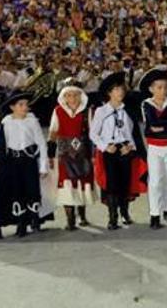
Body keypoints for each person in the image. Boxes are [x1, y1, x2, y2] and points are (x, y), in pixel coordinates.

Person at [90, 72, 145, 230]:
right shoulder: (101, 111)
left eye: (121, 88)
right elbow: (93, 133)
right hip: (110, 151)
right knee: (112, 184)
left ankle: (125, 213)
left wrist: (131, 146)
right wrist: (105, 146)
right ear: (109, 93)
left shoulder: (127, 110)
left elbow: (132, 132)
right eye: (116, 89)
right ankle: (112, 217)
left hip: (125, 150)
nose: (120, 92)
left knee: (125, 183)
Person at [0, 92, 49, 238]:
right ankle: (4, 224)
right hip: (11, 162)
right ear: (12, 107)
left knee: (28, 191)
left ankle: (24, 223)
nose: (25, 107)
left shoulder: (32, 121)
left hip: (28, 161)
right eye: (20, 105)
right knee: (11, 191)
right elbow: (3, 144)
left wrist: (43, 166)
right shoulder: (6, 122)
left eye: (26, 104)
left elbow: (41, 144)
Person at [139, 68, 167, 229]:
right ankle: (155, 214)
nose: (163, 90)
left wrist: (162, 128)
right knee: (156, 180)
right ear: (151, 89)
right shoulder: (147, 104)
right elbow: (151, 125)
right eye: (159, 87)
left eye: (165, 87)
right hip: (155, 148)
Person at [49, 81, 97, 231]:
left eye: (75, 94)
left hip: (84, 154)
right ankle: (70, 220)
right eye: (69, 95)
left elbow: (93, 134)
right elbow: (52, 132)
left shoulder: (87, 111)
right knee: (67, 185)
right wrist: (50, 154)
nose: (72, 98)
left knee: (82, 184)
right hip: (65, 155)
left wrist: (94, 154)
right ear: (64, 97)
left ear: (80, 95)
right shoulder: (58, 111)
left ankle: (82, 216)